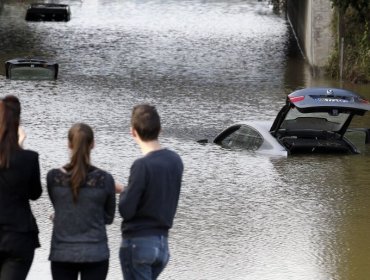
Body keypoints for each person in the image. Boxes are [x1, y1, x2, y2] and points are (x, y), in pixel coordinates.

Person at [119, 104, 183, 280]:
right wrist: (126, 189)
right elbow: (156, 194)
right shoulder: (175, 160)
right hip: (162, 245)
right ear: (160, 130)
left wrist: (124, 192)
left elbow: (126, 210)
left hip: (138, 244)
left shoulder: (141, 165)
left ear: (133, 132)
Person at [46, 123, 118, 280]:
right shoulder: (105, 179)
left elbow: (59, 208)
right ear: (92, 144)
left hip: (62, 253)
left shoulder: (53, 177)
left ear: (69, 144)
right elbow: (109, 218)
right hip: (96, 253)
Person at [0, 95, 42, 280]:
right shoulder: (28, 158)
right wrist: (20, 146)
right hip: (19, 236)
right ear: (18, 123)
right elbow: (35, 194)